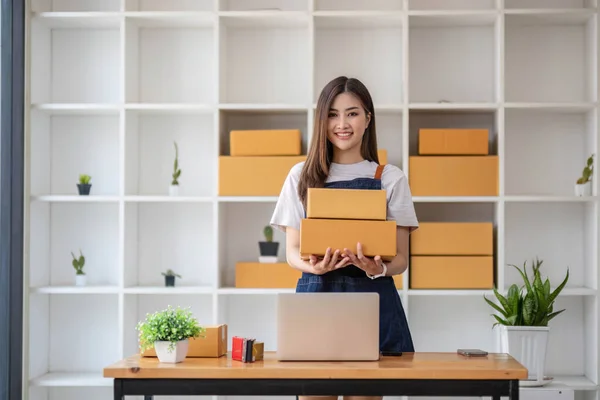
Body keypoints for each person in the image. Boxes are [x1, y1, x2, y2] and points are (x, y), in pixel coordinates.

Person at [270, 76, 419, 400]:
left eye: (352, 113)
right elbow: (292, 252)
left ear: (368, 118)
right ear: (322, 120)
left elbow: (402, 260)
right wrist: (315, 268)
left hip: (373, 306)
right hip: (315, 301)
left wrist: (376, 268)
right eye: (333, 114)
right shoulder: (302, 175)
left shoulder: (390, 178)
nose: (342, 124)